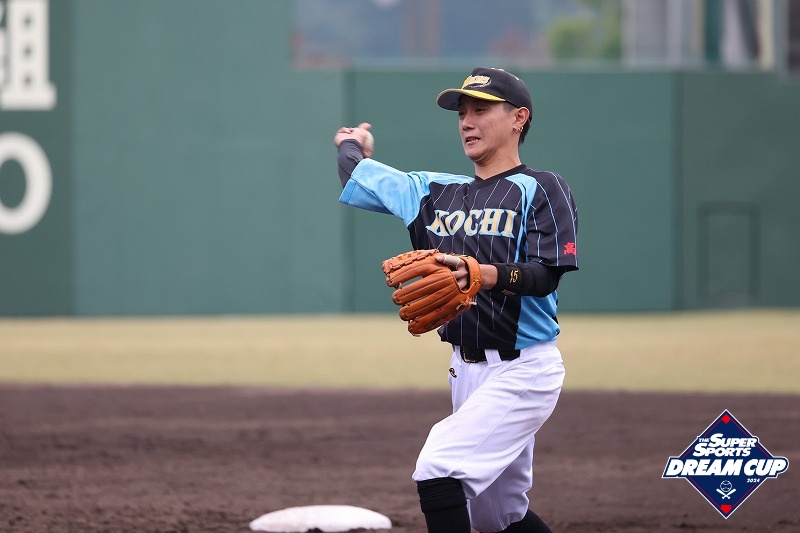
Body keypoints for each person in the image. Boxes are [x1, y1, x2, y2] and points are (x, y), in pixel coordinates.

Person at [333, 67, 578, 533]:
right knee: (497, 516)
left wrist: (481, 274)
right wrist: (351, 143)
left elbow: (546, 274)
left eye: (481, 110)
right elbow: (357, 174)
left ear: (519, 118)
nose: (467, 121)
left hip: (524, 368)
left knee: (438, 469)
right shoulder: (432, 192)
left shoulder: (541, 187)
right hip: (464, 371)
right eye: (462, 113)